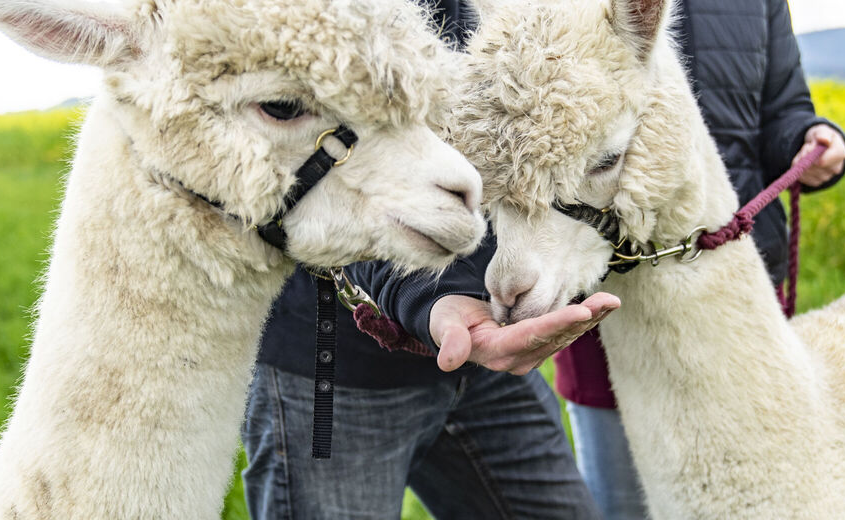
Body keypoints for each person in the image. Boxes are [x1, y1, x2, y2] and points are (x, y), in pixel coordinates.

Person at [241, 2, 618, 518]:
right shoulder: (313, 24)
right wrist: (436, 297)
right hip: (331, 369)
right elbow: (315, 179)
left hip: (483, 351)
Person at [553, 0, 845, 518]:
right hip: (608, 300)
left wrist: (809, 139)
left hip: (736, 297)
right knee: (623, 501)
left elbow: (783, 107)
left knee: (770, 493)